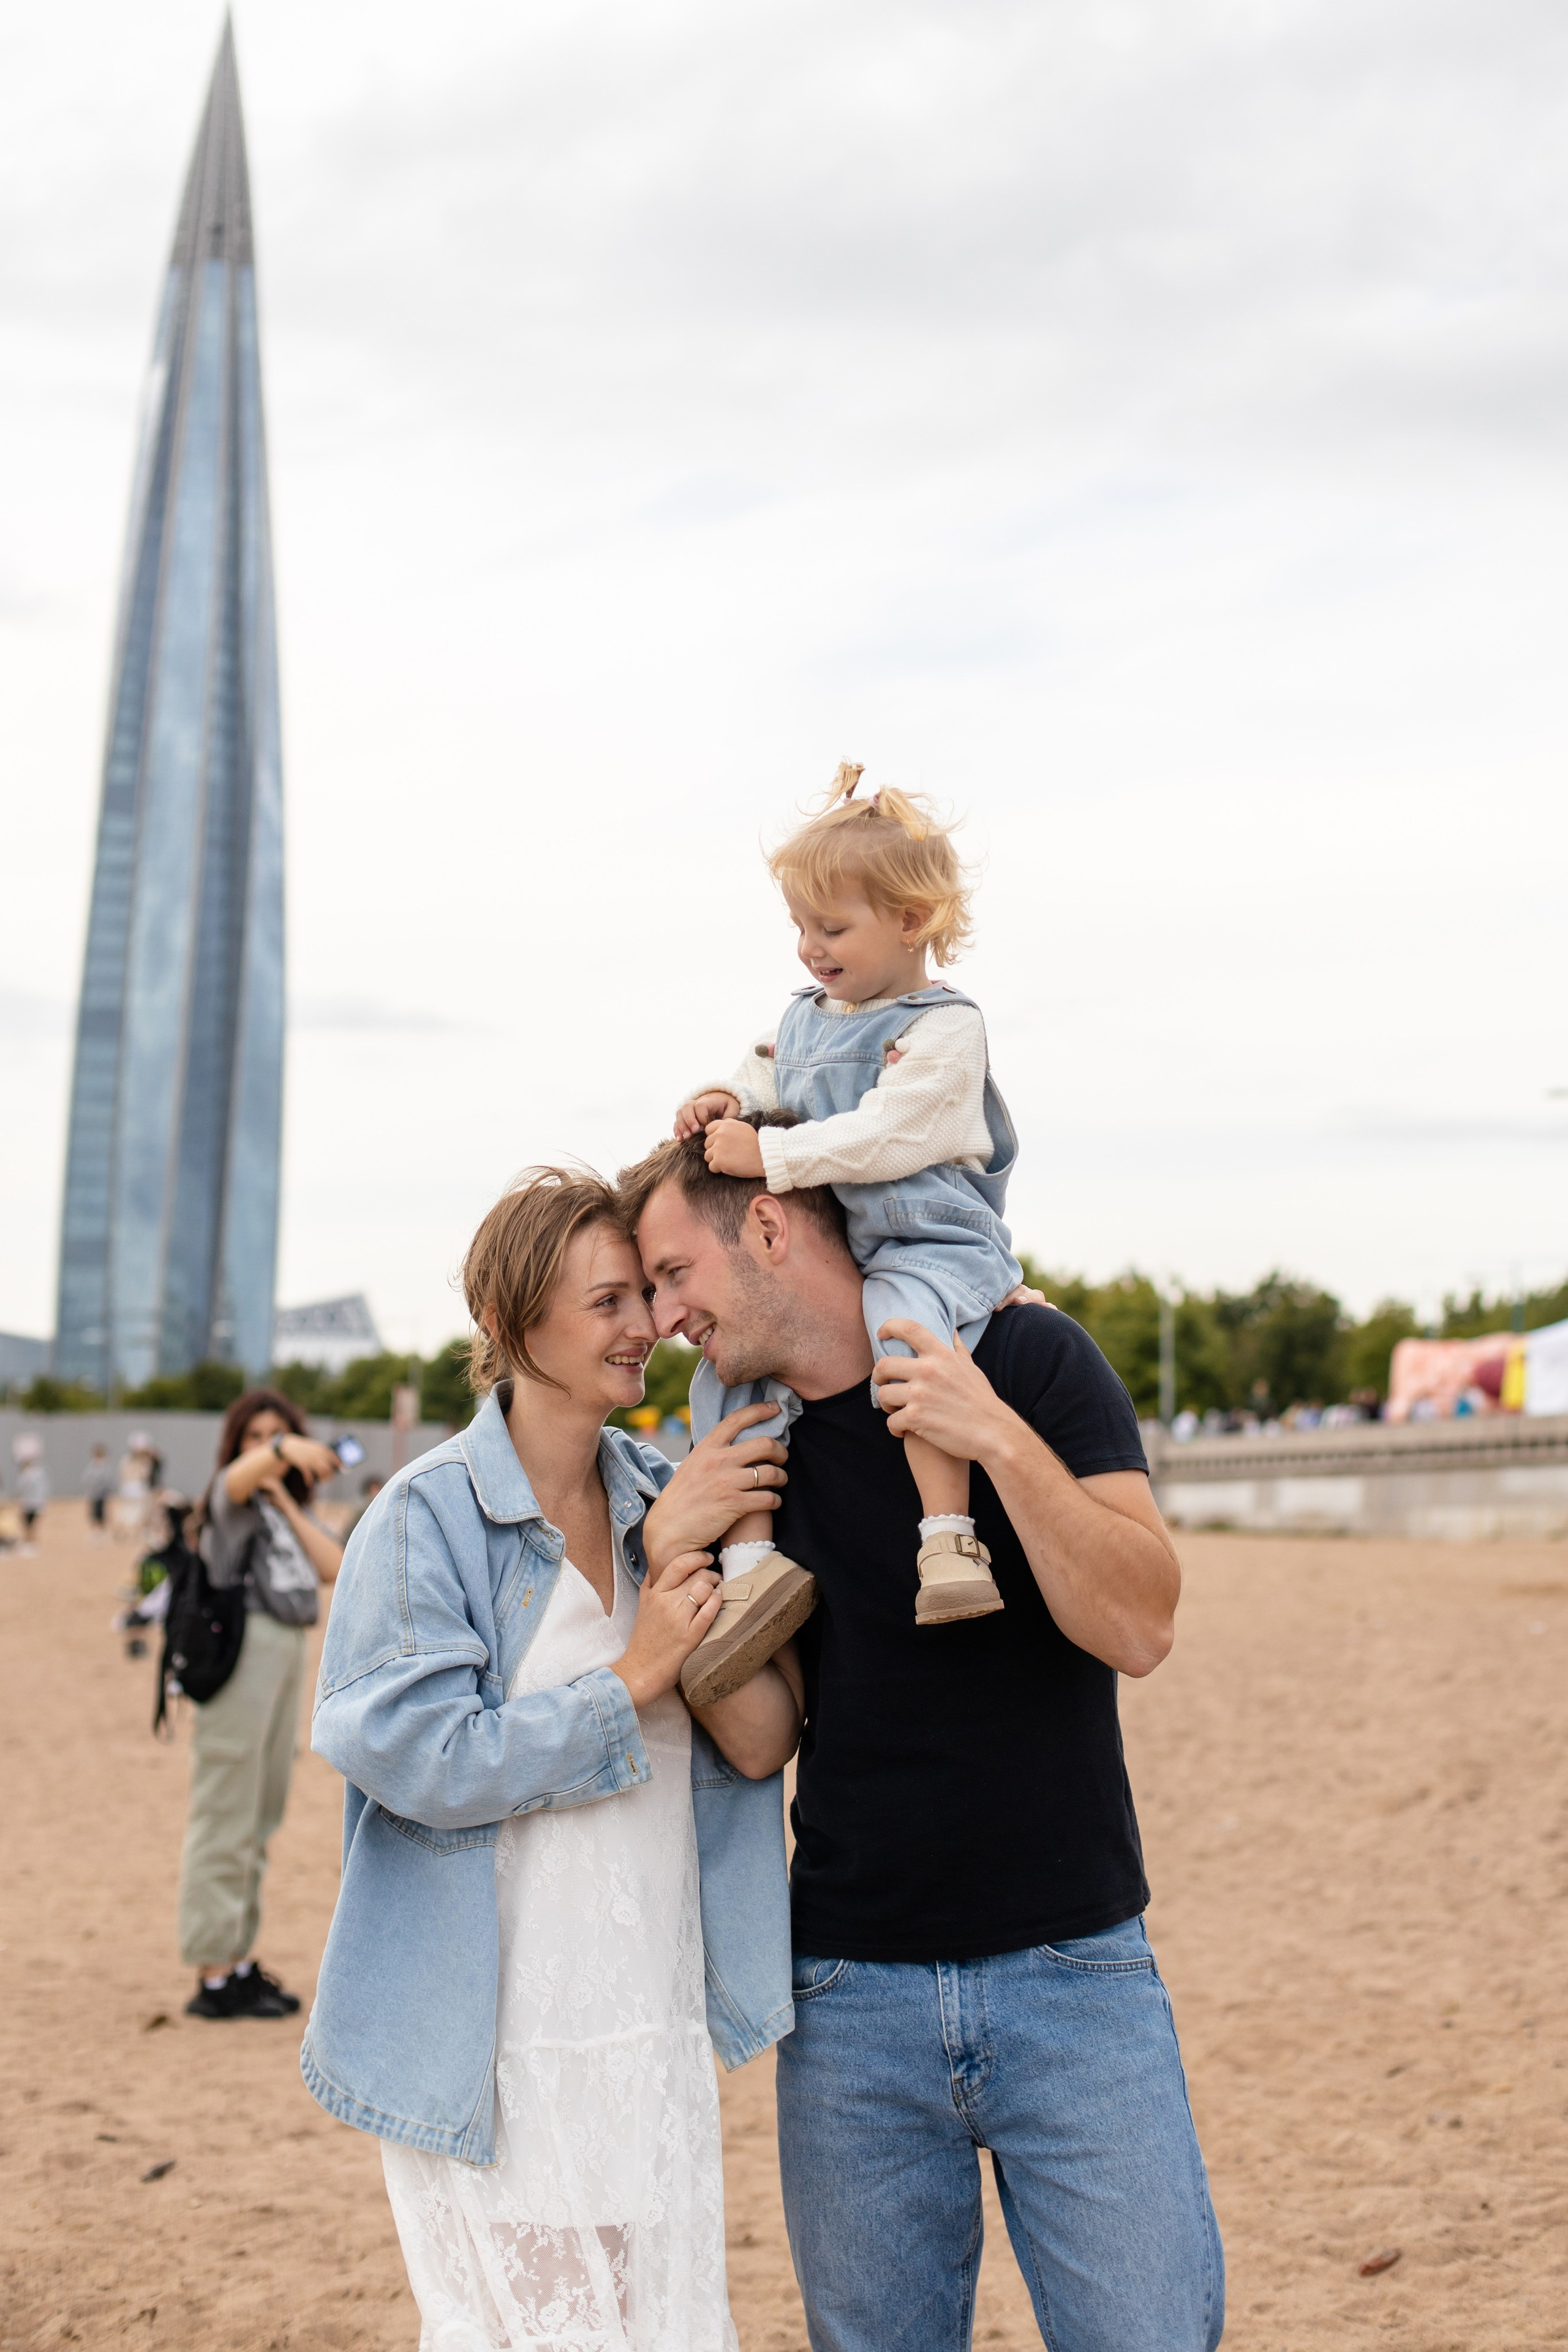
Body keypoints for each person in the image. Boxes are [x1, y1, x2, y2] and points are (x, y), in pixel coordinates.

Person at [619, 1128, 1226, 2352]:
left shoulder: (1028, 1355)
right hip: (849, 2003)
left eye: (675, 1273)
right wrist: (670, 1559)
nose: (662, 1316)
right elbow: (761, 1741)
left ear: (771, 1228)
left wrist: (992, 1434)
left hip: (1074, 1975)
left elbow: (1140, 1626)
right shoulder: (752, 1450)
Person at [304, 1167, 804, 2351]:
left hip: (647, 2023)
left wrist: (687, 1562)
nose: (644, 1327)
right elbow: (421, 1758)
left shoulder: (663, 1499)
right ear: (508, 1322)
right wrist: (631, 1677)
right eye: (606, 1302)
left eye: (645, 1296)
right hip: (495, 2045)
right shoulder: (425, 1517)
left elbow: (762, 1742)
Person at [672, 764, 1022, 1705]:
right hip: (846, 1250)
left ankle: (947, 1538)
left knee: (905, 1341)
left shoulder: (945, 1031)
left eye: (830, 928)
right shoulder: (805, 1020)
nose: (809, 948)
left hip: (926, 1241)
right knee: (729, 1374)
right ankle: (752, 1568)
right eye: (800, 927)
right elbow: (764, 1076)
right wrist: (724, 1100)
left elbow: (890, 1134)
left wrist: (771, 1157)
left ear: (911, 920)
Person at [178, 1390, 344, 2020]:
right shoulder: (229, 1502)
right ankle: (213, 1972)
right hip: (242, 1657)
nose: (268, 1448)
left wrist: (287, 1497)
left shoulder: (278, 1508)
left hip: (284, 1655)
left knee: (260, 1815)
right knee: (225, 1814)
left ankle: (237, 1958)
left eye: (277, 1434)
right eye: (255, 1436)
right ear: (239, 1445)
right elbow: (233, 1480)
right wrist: (278, 1451)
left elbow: (334, 1566)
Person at [13, 1438, 48, 1554]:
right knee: (29, 1524)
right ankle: (30, 1543)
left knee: (30, 1524)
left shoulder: (31, 1474)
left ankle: (31, 1543)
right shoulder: (36, 1473)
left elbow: (24, 1488)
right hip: (32, 1502)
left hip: (32, 1503)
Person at [83, 1442, 115, 1539]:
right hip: (94, 1494)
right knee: (94, 1513)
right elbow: (87, 1479)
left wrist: (106, 1490)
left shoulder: (106, 1466)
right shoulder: (92, 1466)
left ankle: (103, 1532)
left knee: (102, 1513)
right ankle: (95, 1531)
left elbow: (108, 1479)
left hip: (103, 1494)